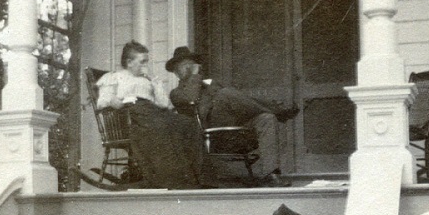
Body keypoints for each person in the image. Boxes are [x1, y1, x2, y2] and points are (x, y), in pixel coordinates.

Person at [168, 46, 298, 187]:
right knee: (226, 93)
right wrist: (194, 76)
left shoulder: (210, 84)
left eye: (190, 64)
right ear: (176, 72)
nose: (188, 68)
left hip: (234, 132)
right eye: (183, 66)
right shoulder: (176, 93)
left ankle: (271, 174)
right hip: (211, 135)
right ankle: (278, 111)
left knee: (266, 118)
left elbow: (241, 101)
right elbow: (192, 99)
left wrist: (205, 83)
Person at [96, 40, 205, 189]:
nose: (145, 66)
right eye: (142, 62)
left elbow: (164, 104)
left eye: (146, 62)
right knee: (162, 127)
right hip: (131, 114)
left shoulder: (146, 80)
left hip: (153, 112)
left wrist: (156, 85)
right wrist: (113, 100)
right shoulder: (115, 77)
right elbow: (102, 102)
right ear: (129, 62)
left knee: (188, 124)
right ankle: (170, 180)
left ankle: (198, 179)